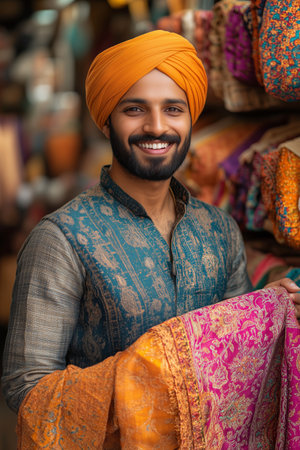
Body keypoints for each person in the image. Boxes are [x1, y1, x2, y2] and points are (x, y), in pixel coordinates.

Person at [2, 30, 300, 417]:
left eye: (173, 109)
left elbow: (240, 361)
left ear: (191, 119)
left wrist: (265, 310)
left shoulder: (219, 230)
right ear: (106, 121)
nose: (157, 126)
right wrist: (151, 376)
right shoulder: (62, 239)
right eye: (134, 109)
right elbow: (27, 385)